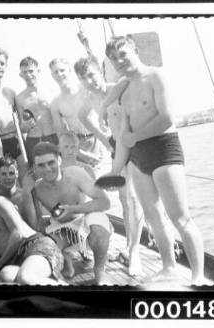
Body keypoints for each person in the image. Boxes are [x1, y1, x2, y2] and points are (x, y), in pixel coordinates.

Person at [105, 36, 205, 284]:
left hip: (163, 148)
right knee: (153, 216)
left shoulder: (156, 76)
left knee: (180, 217)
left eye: (123, 55)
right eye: (114, 59)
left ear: (135, 51)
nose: (119, 61)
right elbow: (123, 136)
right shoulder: (124, 91)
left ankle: (198, 277)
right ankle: (169, 266)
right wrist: (115, 170)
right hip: (138, 156)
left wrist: (132, 138)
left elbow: (167, 117)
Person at [74, 57, 145, 276]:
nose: (90, 81)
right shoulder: (90, 98)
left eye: (92, 75)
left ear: (100, 72)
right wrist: (104, 140)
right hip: (116, 147)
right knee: (125, 199)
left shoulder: (119, 87)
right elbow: (82, 117)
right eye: (84, 79)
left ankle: (135, 253)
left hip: (135, 144)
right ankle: (129, 246)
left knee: (135, 199)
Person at [25, 142, 112, 285]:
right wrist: (27, 194)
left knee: (99, 229)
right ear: (34, 168)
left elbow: (105, 202)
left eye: (51, 162)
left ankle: (99, 270)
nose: (47, 169)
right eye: (41, 165)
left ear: (59, 160)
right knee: (46, 245)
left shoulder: (75, 174)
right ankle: (65, 258)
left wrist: (73, 209)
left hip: (85, 218)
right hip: (62, 228)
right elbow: (35, 226)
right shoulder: (37, 188)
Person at [49, 58, 102, 167]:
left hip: (99, 138)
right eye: (55, 72)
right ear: (52, 75)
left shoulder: (85, 89)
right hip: (77, 145)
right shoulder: (55, 103)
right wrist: (80, 153)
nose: (59, 74)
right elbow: (61, 134)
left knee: (107, 180)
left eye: (62, 70)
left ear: (69, 70)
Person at [16, 56, 59, 167]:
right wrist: (26, 126)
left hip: (53, 136)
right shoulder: (20, 98)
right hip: (33, 140)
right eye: (24, 72)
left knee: (56, 169)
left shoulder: (52, 91)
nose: (28, 75)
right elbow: (21, 127)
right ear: (21, 75)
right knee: (37, 172)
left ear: (38, 71)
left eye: (31, 71)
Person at [0, 155, 35, 222]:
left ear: (17, 174)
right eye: (3, 174)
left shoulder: (25, 195)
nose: (8, 177)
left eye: (11, 173)